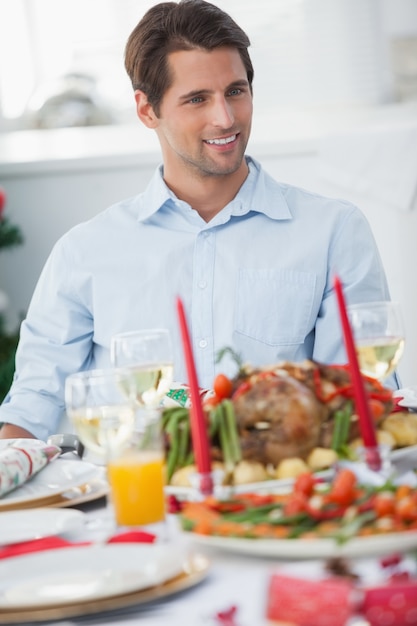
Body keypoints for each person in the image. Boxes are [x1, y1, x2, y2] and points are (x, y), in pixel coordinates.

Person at [0, 0, 396, 441]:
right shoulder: (84, 252)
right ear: (147, 109)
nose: (225, 118)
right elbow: (33, 405)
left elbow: (361, 396)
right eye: (197, 99)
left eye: (235, 91)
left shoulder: (332, 231)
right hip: (134, 495)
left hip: (279, 488)